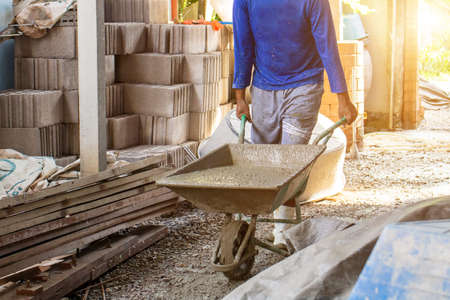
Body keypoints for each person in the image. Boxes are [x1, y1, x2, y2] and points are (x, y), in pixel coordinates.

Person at [232, 0, 358, 248]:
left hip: (304, 85)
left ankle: (282, 233)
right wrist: (240, 96)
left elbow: (327, 45)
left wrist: (343, 97)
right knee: (263, 162)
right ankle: (250, 227)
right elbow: (243, 44)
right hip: (264, 87)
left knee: (290, 160)